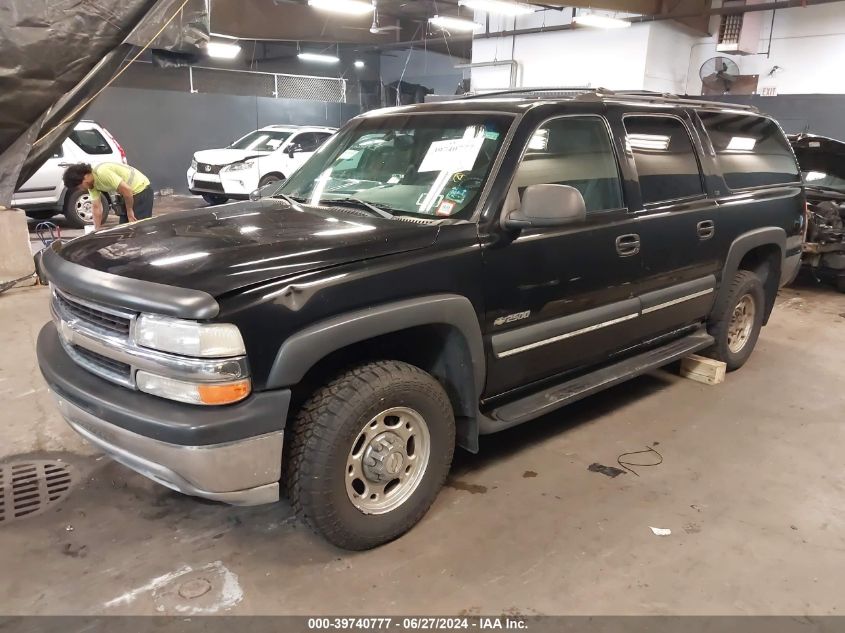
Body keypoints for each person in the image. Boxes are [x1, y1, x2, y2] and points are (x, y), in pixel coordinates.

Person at [62, 162, 153, 230]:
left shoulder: (102, 173)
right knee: (123, 229)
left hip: (141, 190)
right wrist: (96, 230)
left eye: (79, 186)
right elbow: (96, 207)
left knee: (138, 228)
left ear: (84, 178)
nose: (81, 189)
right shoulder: (91, 185)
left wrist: (129, 211)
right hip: (128, 196)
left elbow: (127, 190)